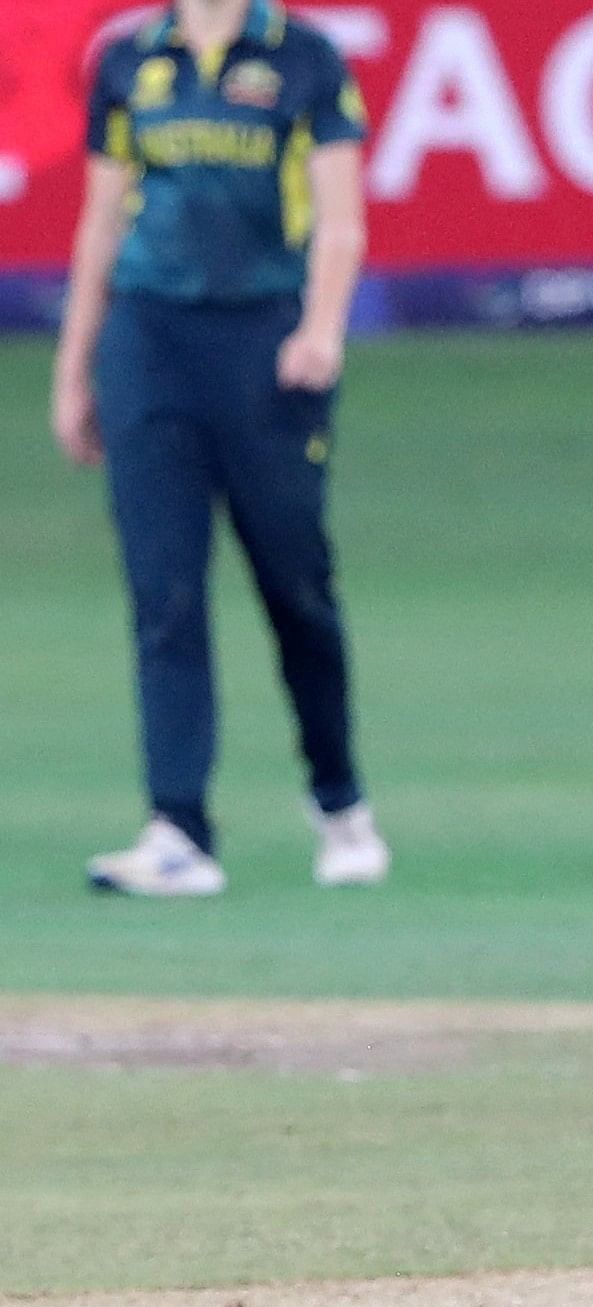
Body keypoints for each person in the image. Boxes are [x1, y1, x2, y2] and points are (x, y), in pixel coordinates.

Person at [51, 0, 387, 896]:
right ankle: (177, 830)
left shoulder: (305, 57)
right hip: (149, 345)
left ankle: (340, 802)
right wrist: (75, 370)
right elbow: (99, 224)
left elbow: (342, 216)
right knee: (164, 593)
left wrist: (321, 330)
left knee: (296, 587)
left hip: (266, 348)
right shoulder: (129, 60)